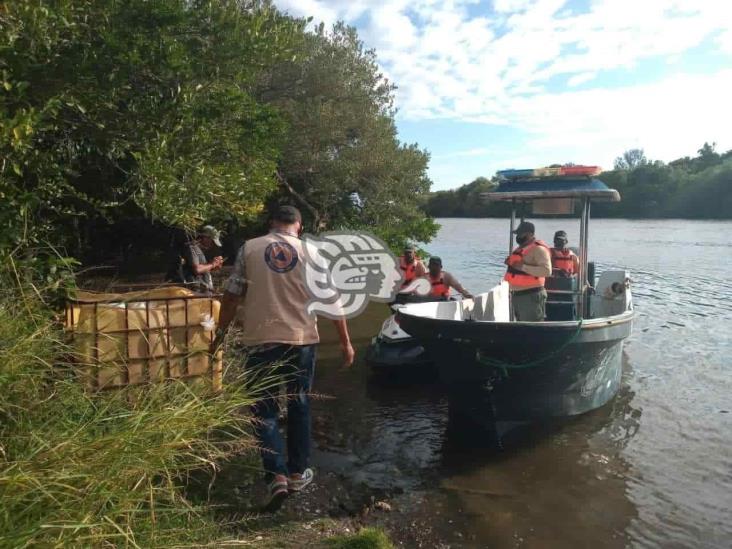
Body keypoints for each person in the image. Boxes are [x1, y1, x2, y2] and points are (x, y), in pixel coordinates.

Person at [215, 205, 355, 512]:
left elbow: (231, 296)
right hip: (302, 341)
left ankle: (275, 475)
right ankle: (298, 471)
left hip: (260, 341)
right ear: (299, 227)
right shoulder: (313, 254)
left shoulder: (250, 248)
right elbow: (333, 301)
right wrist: (345, 342)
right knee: (299, 405)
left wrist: (220, 333)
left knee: (262, 410)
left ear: (271, 224)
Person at [504, 221, 552, 321]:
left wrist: (523, 267)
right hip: (518, 295)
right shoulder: (522, 248)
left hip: (531, 296)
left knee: (533, 329)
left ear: (530, 234)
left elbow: (547, 271)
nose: (518, 236)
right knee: (522, 328)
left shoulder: (539, 249)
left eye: (521, 234)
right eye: (518, 234)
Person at [176, 225, 224, 293]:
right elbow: (197, 269)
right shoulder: (192, 248)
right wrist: (213, 264)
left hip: (203, 291)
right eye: (212, 241)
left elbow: (201, 269)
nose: (212, 244)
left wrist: (213, 266)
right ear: (205, 238)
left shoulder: (200, 250)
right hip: (196, 292)